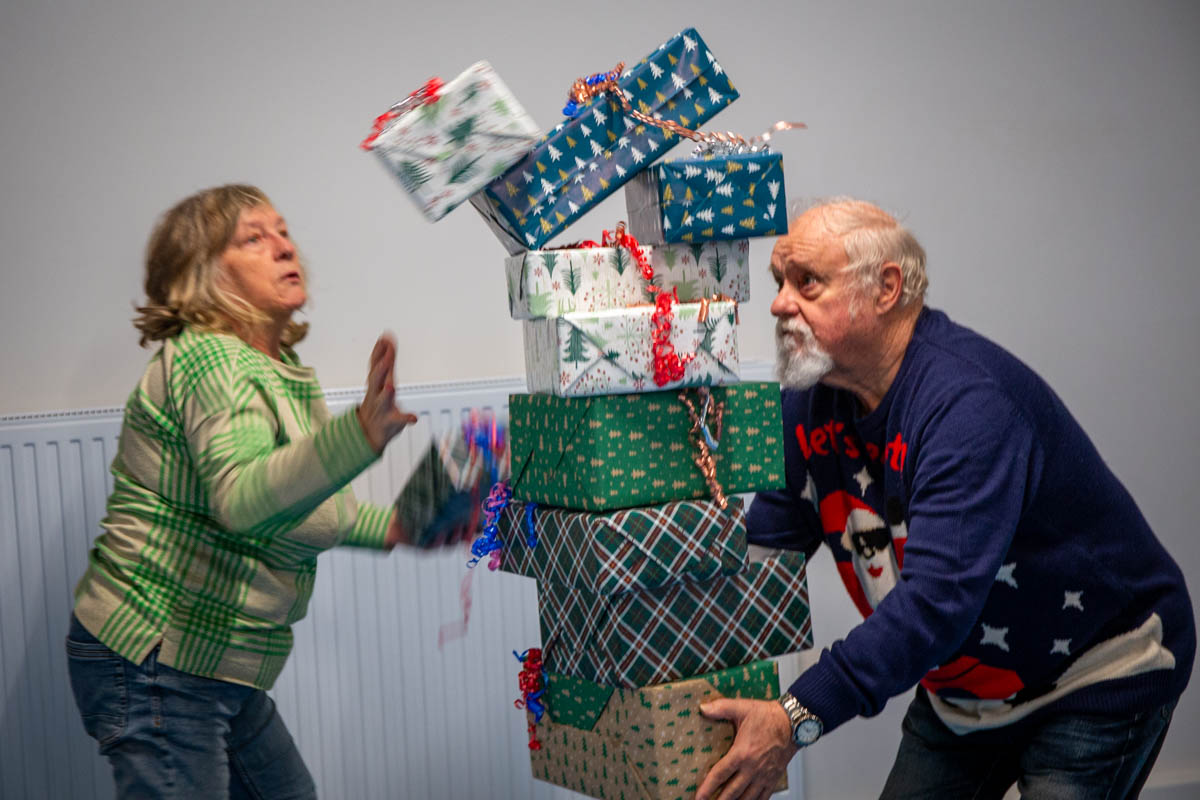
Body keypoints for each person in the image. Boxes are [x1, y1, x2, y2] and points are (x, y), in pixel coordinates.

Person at [695, 198, 1195, 799]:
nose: (779, 304)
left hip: (1096, 670)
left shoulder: (968, 405)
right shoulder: (806, 405)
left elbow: (935, 605)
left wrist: (795, 716)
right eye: (780, 282)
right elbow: (758, 564)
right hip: (964, 692)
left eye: (807, 283)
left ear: (886, 288)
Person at [66, 184, 454, 798]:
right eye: (253, 238)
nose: (283, 246)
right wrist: (358, 434)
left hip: (214, 662)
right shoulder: (210, 361)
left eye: (283, 231)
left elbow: (290, 503)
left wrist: (396, 527)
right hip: (158, 658)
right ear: (204, 275)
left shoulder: (274, 371)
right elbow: (245, 501)